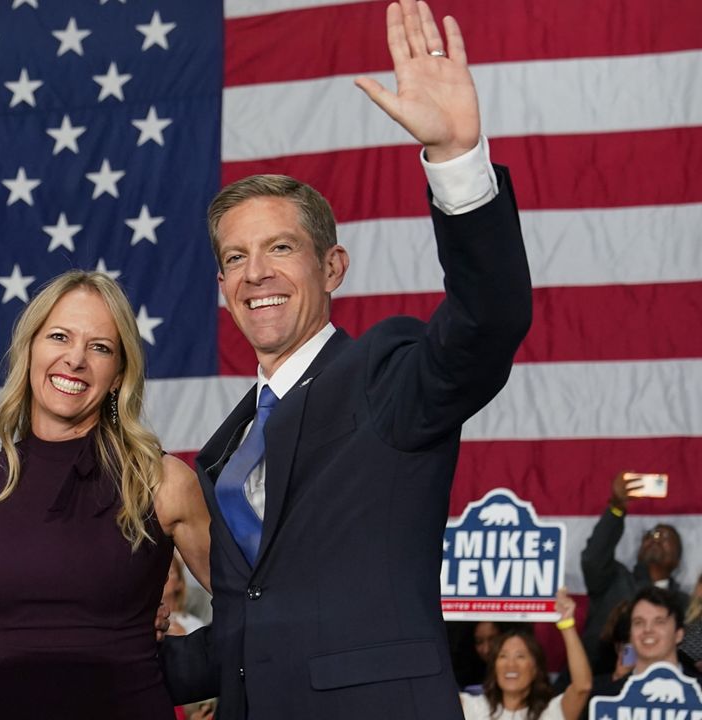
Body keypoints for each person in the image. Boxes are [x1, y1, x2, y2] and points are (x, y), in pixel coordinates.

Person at [160, 1, 533, 717]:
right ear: (221, 289)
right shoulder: (222, 451)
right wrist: (83, 670)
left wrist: (457, 157)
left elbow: (489, 320)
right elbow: (251, 633)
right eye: (235, 258)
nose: (256, 273)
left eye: (280, 249)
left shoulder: (386, 379)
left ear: (333, 267)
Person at [0, 270, 212, 719]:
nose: (75, 360)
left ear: (119, 372)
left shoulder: (161, 480)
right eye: (60, 337)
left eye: (100, 347)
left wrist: (180, 668)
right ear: (30, 349)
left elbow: (255, 607)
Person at [581, 472, 689, 674]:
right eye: (650, 536)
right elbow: (592, 558)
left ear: (676, 560)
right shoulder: (612, 579)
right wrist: (616, 509)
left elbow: (695, 657)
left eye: (665, 537)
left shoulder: (686, 605)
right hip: (599, 683)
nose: (655, 539)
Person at [460, 590, 592, 720]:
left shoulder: (551, 713)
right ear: (494, 667)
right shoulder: (473, 708)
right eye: (503, 656)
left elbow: (582, 687)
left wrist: (566, 623)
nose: (510, 664)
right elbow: (439, 694)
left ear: (536, 668)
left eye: (520, 656)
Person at [587, 586, 700, 709]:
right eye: (639, 622)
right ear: (630, 634)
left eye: (659, 622)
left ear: (679, 634)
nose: (647, 630)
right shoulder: (603, 698)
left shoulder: (699, 692)